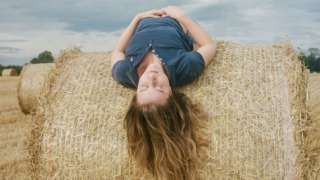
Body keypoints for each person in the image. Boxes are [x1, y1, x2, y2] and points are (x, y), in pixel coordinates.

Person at [111, 6, 217, 180]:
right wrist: (180, 16)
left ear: (135, 93)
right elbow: (208, 45)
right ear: (172, 93)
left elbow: (117, 52)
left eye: (144, 87)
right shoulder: (185, 68)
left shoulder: (125, 73)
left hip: (143, 21)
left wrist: (137, 18)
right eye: (159, 88)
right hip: (173, 21)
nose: (152, 78)